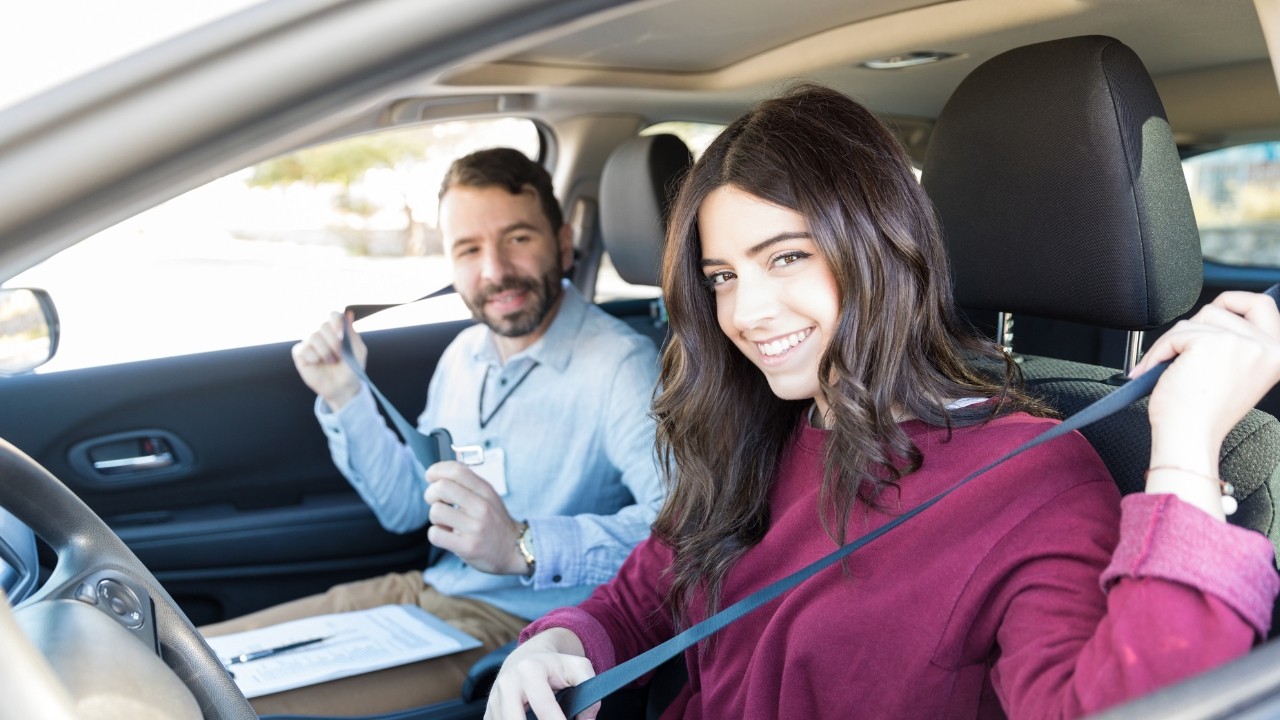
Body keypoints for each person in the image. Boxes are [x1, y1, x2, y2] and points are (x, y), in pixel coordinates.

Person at [484, 84, 1280, 720]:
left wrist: (1185, 445)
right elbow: (640, 594)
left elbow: (1127, 705)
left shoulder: (1027, 477)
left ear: (879, 247)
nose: (746, 313)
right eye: (724, 276)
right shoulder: (755, 428)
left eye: (787, 256)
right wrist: (556, 642)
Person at [202, 147, 665, 716]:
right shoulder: (463, 355)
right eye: (469, 249)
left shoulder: (621, 366)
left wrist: (523, 544)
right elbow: (405, 508)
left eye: (518, 238)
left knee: (225, 706)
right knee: (188, 658)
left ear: (564, 243)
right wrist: (345, 395)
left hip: (522, 625)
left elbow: (678, 531)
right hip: (427, 594)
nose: (494, 270)